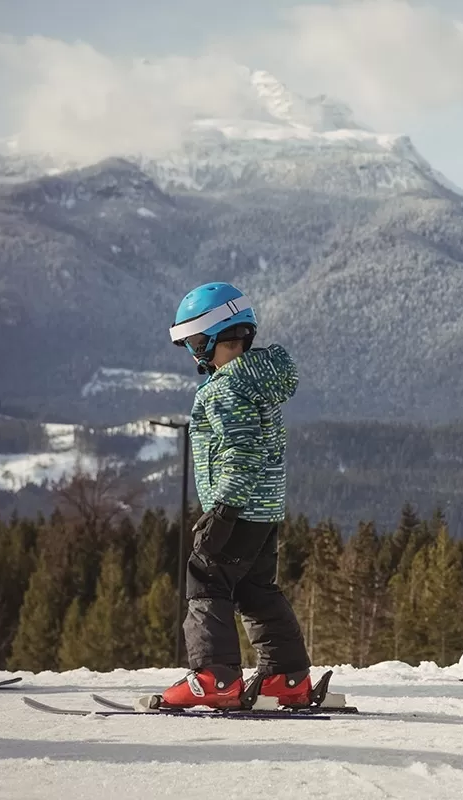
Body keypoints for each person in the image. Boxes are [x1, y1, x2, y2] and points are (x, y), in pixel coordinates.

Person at [161, 281, 314, 709]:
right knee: (255, 589)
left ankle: (215, 677)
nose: (193, 353)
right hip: (263, 509)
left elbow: (242, 450)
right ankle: (286, 677)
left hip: (239, 508)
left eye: (194, 341)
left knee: (207, 578)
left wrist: (224, 509)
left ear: (215, 337)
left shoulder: (226, 387)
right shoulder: (256, 378)